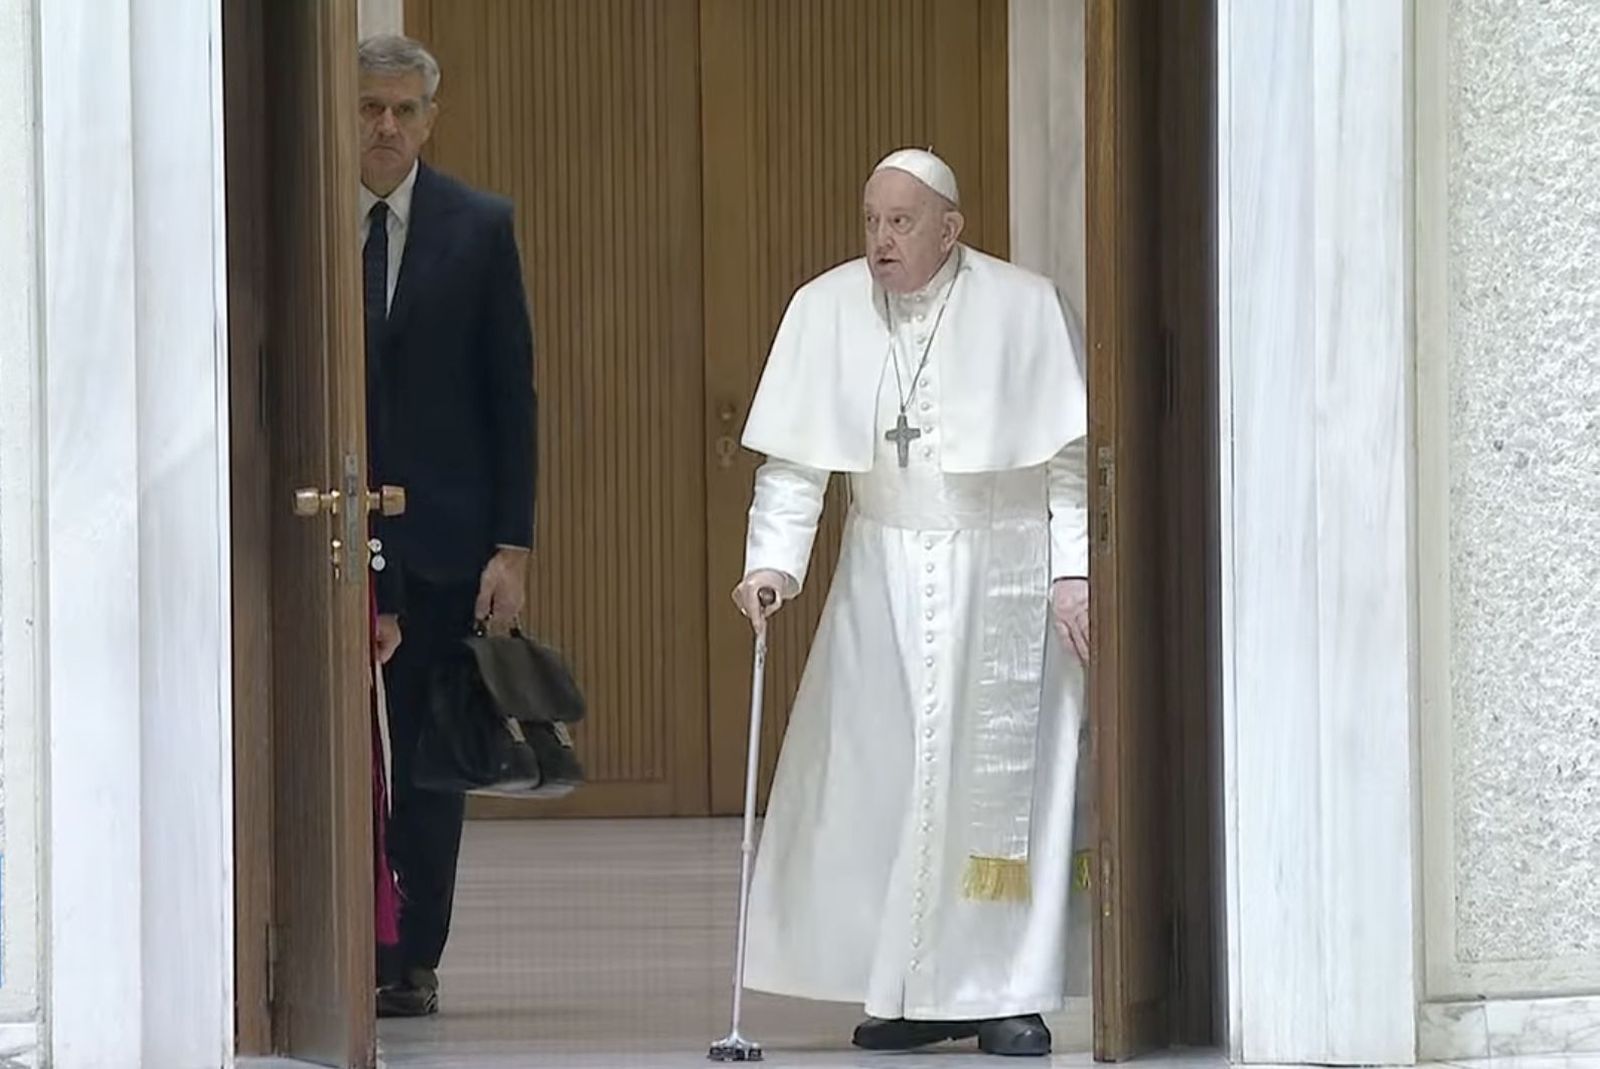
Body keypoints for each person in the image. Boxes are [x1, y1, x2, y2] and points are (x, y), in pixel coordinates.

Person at [731, 148, 1090, 1058]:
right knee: (889, 786)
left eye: (900, 222)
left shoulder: (1024, 305)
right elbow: (796, 463)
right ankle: (905, 985)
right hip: (878, 571)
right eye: (871, 220)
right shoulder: (825, 308)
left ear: (950, 229)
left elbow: (1069, 463)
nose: (880, 240)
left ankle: (1007, 990)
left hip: (1002, 567)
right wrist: (773, 564)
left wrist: (1074, 573)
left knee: (1000, 793)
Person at [357, 33, 537, 1019]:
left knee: (429, 760)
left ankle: (411, 955)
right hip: (326, 531)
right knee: (337, 755)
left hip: (443, 536)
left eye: (402, 110)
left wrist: (511, 544)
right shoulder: (300, 220)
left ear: (430, 117)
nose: (385, 126)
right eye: (368, 108)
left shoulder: (477, 227)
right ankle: (340, 933)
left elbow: (511, 396)